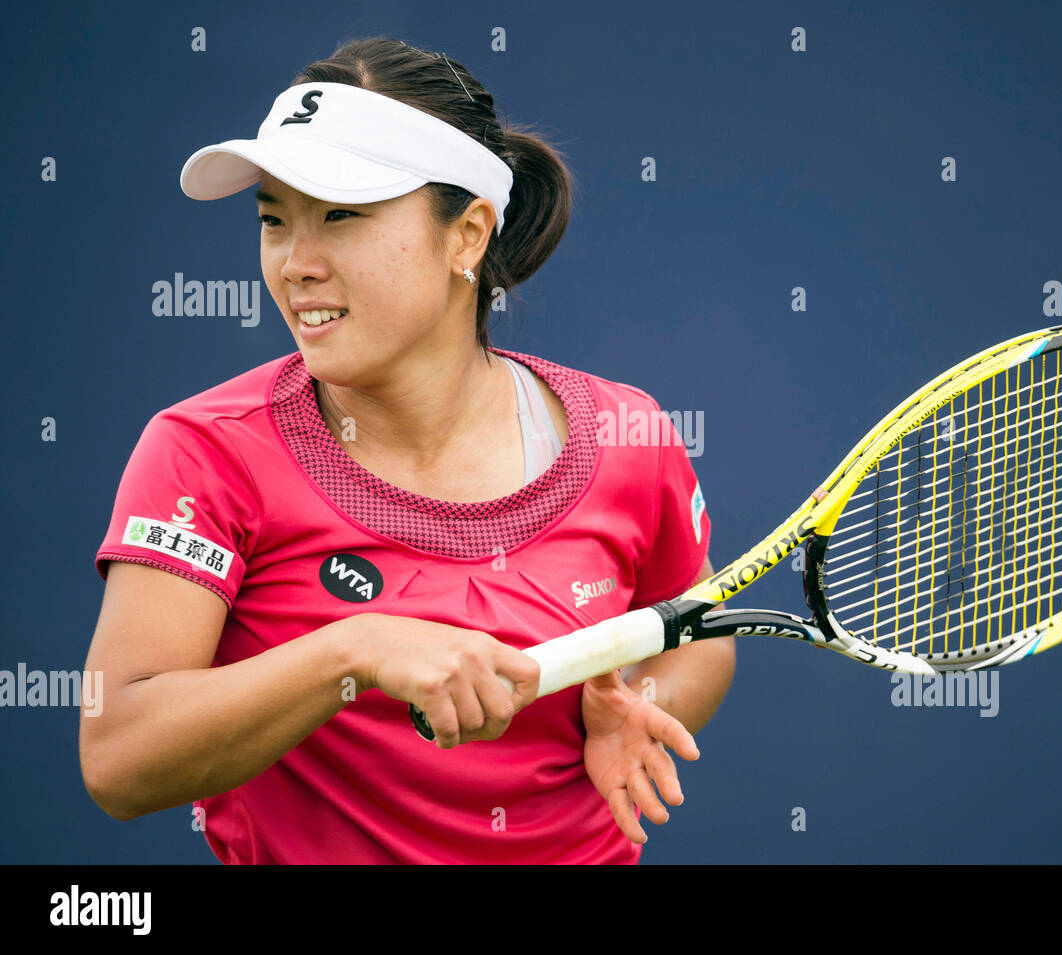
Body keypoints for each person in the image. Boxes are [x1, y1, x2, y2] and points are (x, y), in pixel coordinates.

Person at [80, 37, 733, 864]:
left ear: (467, 237)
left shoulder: (628, 434)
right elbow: (117, 759)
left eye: (341, 216)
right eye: (273, 219)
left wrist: (637, 696)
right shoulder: (202, 453)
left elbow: (699, 629)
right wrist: (358, 650)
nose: (295, 264)